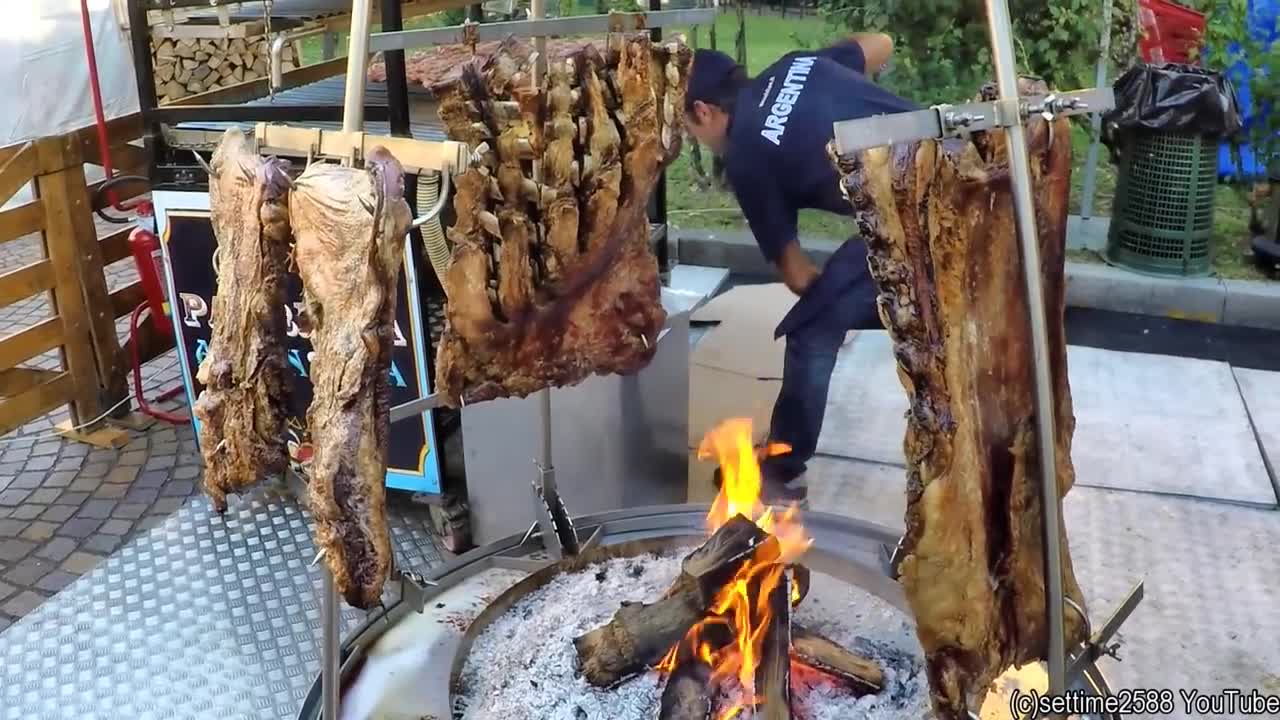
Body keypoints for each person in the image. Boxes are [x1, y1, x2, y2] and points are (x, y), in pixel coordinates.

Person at [684, 36, 918, 505]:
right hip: (958, 161)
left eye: (687, 126)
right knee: (835, 298)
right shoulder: (794, 65)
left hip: (925, 216)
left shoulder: (747, 158)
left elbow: (795, 275)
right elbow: (882, 43)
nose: (693, 138)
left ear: (704, 111)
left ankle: (779, 471)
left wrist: (832, 302)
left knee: (811, 330)